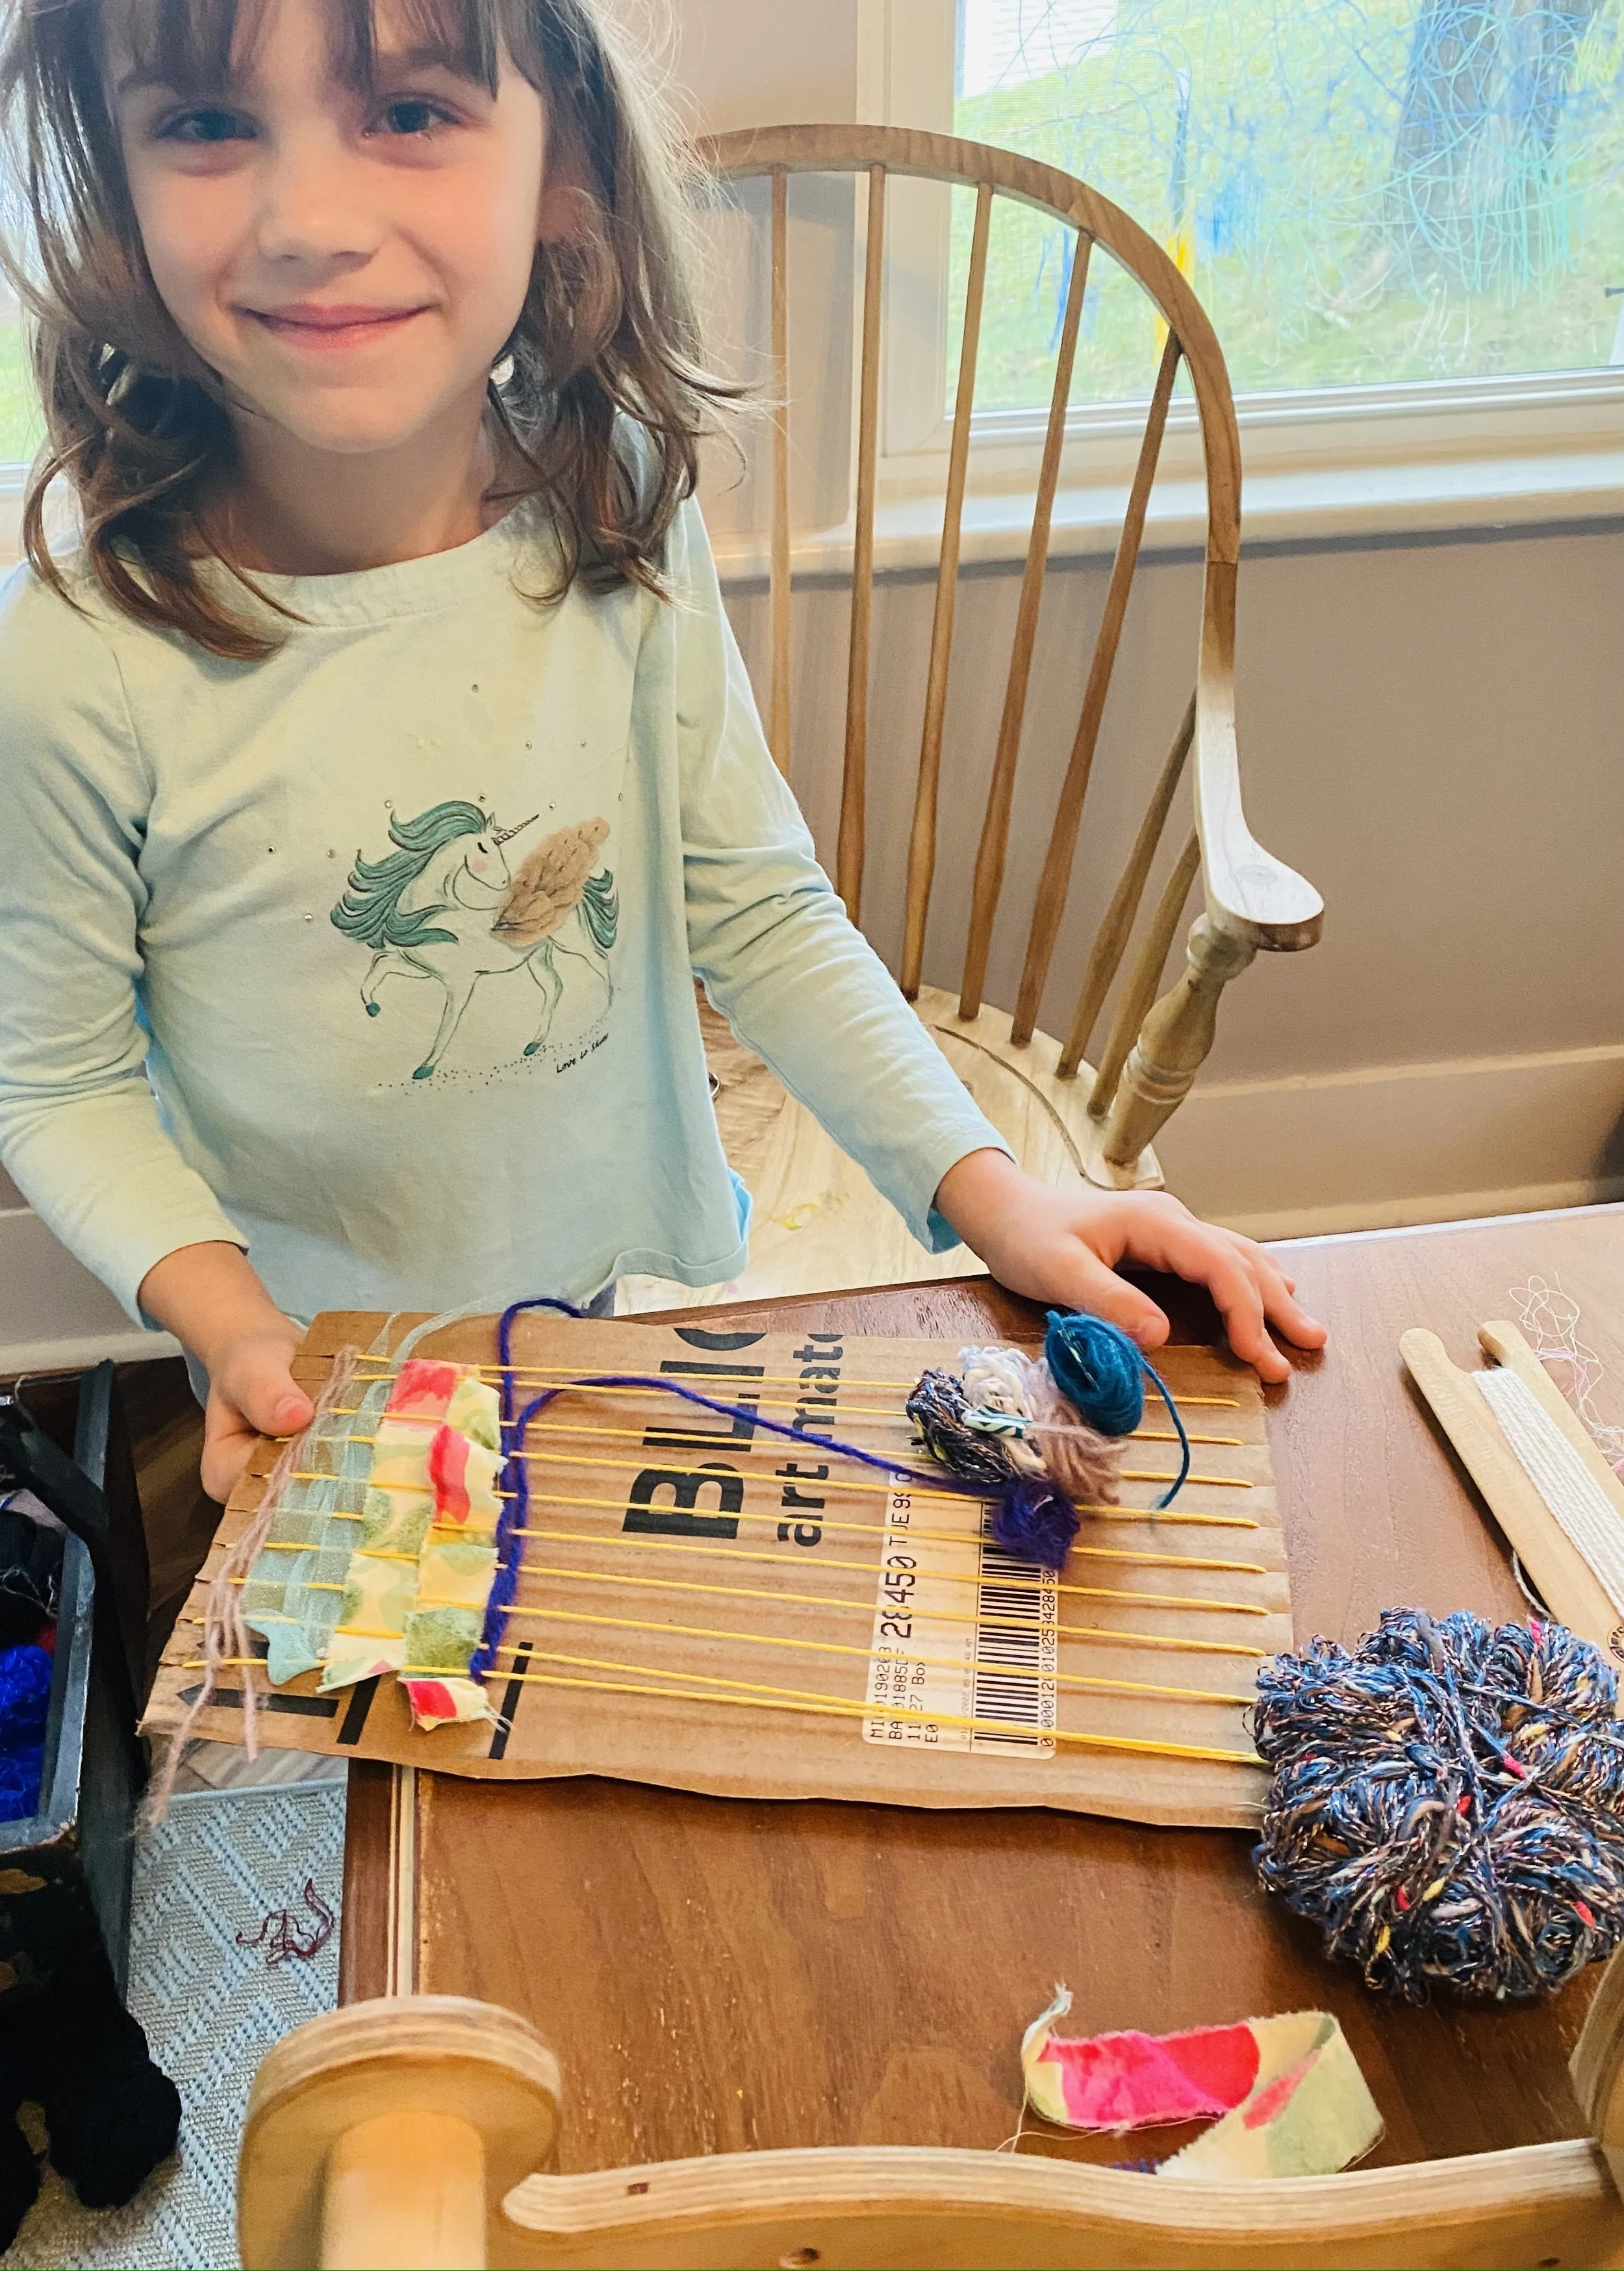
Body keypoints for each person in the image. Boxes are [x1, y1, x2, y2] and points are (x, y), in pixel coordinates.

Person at [0, 0, 1324, 1504]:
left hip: (602, 1305)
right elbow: (61, 1086)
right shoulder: (72, 657)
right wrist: (231, 1324)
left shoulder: (613, 495)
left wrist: (996, 1193)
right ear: (110, 174)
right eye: (205, 122)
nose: (309, 221)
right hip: (318, 1362)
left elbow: (752, 900)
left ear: (559, 155)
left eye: (413, 111)